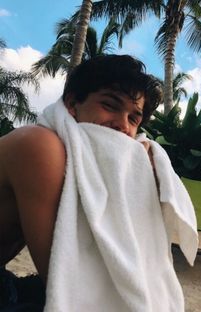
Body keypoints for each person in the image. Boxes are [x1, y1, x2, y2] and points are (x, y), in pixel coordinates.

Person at [0, 55, 163, 310]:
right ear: (72, 104)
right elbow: (67, 278)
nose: (122, 125)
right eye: (110, 105)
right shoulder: (39, 145)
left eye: (133, 119)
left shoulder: (78, 164)